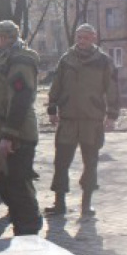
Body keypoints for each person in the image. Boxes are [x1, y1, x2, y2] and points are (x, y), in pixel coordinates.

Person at [45, 23, 119, 217]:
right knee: (61, 162)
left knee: (91, 162)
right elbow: (57, 84)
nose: (81, 41)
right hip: (68, 119)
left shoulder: (103, 61)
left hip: (91, 120)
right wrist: (52, 108)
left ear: (93, 38)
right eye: (79, 37)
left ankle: (86, 205)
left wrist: (112, 116)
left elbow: (112, 89)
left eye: (85, 37)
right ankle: (59, 203)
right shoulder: (66, 59)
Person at [0, 21, 43, 236]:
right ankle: (24, 223)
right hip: (3, 133)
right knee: (8, 186)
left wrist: (9, 135)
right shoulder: (4, 57)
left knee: (18, 184)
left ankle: (28, 229)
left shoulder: (20, 59)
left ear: (6, 38)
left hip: (17, 134)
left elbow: (21, 97)